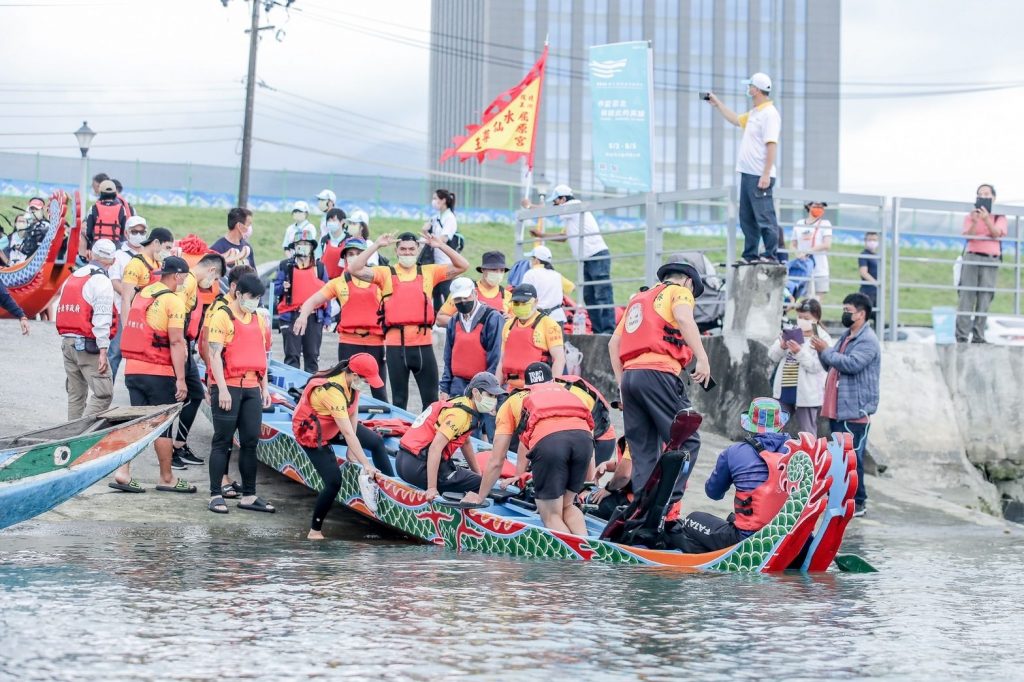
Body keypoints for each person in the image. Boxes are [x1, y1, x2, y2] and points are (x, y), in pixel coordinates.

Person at [608, 260, 711, 497]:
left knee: (644, 453)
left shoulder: (638, 300)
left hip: (631, 379)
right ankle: (662, 504)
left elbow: (614, 344)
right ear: (688, 281)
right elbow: (684, 319)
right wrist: (703, 359)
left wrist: (622, 383)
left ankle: (641, 512)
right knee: (687, 441)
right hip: (659, 373)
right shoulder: (680, 291)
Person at [339, 231, 468, 410]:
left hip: (423, 345)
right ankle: (401, 435)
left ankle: (425, 438)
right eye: (403, 249)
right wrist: (376, 245)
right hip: (395, 348)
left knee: (430, 401)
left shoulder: (429, 272)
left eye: (411, 249)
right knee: (399, 401)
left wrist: (441, 246)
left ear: (417, 250)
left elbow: (463, 265)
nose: (407, 253)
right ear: (396, 251)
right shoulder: (385, 273)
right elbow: (354, 269)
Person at [466, 362, 594, 535]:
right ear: (552, 381)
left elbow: (497, 460)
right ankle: (587, 547)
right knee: (567, 505)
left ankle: (574, 558)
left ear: (526, 386)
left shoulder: (513, 401)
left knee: (550, 514)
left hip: (550, 443)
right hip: (584, 441)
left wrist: (480, 497)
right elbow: (587, 433)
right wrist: (589, 480)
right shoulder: (566, 392)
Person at [115, 256, 196, 494]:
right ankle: (167, 477)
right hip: (158, 371)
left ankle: (123, 472)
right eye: (184, 276)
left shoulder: (145, 293)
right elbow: (176, 342)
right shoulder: (174, 301)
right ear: (178, 276)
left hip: (133, 370)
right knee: (163, 426)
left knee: (137, 423)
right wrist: (181, 379)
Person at [291, 354, 392, 539]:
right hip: (312, 433)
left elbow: (352, 415)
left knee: (376, 442)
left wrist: (352, 450)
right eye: (366, 381)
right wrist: (366, 464)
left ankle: (391, 488)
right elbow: (347, 433)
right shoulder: (333, 391)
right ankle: (315, 530)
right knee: (333, 482)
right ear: (354, 375)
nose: (367, 385)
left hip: (333, 425)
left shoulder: (353, 384)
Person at [672, 398, 791, 553]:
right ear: (780, 425)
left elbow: (713, 493)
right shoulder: (798, 450)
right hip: (788, 537)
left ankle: (711, 563)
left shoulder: (733, 452)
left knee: (691, 520)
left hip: (747, 540)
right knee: (731, 519)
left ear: (749, 426)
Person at [205, 273, 274, 514]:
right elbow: (214, 355)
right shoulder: (222, 316)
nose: (254, 301)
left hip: (252, 386)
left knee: (250, 442)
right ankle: (215, 494)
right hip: (229, 386)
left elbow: (262, 355)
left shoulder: (258, 319)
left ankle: (249, 495)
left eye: (258, 298)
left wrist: (264, 388)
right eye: (251, 297)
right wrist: (221, 388)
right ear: (238, 293)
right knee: (222, 441)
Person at [293, 238, 389, 402]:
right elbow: (312, 301)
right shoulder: (339, 282)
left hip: (376, 342)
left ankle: (386, 424)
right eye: (350, 254)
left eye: (358, 253)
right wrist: (303, 316)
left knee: (379, 392)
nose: (354, 257)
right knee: (345, 391)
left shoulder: (380, 278)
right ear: (344, 258)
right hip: (349, 342)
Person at [811, 292, 880, 517]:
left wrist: (826, 351)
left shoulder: (868, 340)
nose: (844, 314)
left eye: (848, 311)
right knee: (839, 458)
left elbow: (851, 364)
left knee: (854, 458)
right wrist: (822, 352)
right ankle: (841, 498)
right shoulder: (847, 336)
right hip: (838, 410)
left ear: (861, 314)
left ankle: (859, 501)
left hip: (855, 411)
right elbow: (831, 364)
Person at [706, 72, 782, 264]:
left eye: (750, 86)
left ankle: (770, 255)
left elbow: (771, 144)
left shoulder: (769, 114)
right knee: (747, 217)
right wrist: (718, 104)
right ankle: (750, 255)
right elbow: (735, 120)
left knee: (765, 217)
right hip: (748, 174)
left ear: (756, 89)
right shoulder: (755, 113)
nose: (748, 89)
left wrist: (765, 173)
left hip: (760, 175)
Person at [395, 372, 500, 498]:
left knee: (477, 479)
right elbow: (435, 448)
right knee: (484, 485)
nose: (493, 400)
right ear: (476, 393)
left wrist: (477, 473)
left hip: (401, 461)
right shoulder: (460, 415)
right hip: (417, 467)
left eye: (495, 396)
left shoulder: (461, 402)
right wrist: (431, 488)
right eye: (490, 395)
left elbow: (465, 442)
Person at [527, 185, 615, 333]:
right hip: (588, 258)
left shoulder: (574, 206)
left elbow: (552, 211)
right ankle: (599, 330)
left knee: (601, 294)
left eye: (555, 201)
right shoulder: (572, 216)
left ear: (563, 199)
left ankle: (608, 330)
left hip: (596, 255)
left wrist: (531, 206)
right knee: (590, 296)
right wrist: (541, 235)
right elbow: (563, 237)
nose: (555, 205)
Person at [171, 252, 227, 468]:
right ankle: (172, 451)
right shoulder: (188, 283)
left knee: (195, 395)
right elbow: (176, 314)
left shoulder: (192, 283)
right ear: (211, 271)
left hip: (186, 345)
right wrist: (181, 344)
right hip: (180, 345)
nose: (212, 284)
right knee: (183, 396)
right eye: (214, 279)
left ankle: (179, 444)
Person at [55, 239, 117, 421]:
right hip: (88, 345)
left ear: (90, 255)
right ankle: (82, 435)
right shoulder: (102, 281)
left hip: (67, 342)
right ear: (113, 261)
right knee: (104, 393)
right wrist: (103, 350)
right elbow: (102, 318)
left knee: (76, 395)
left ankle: (70, 436)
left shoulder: (72, 277)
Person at [439, 277, 504, 438]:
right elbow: (448, 356)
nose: (462, 301)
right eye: (457, 299)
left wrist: (490, 390)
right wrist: (444, 388)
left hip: (486, 385)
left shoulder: (492, 318)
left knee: (493, 433)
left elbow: (496, 357)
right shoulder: (454, 320)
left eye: (465, 297)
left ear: (474, 294)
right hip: (459, 384)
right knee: (463, 432)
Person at [768, 298, 832, 436]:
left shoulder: (822, 338)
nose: (802, 320)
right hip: (784, 390)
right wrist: (782, 346)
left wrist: (799, 351)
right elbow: (772, 356)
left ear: (816, 318)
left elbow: (817, 366)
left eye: (806, 318)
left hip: (807, 393)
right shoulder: (790, 331)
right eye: (799, 317)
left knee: (807, 432)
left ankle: (809, 457)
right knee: (772, 428)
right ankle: (771, 455)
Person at [957, 183, 1007, 343]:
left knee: (985, 297)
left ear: (994, 197)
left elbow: (997, 234)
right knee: (966, 296)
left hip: (990, 258)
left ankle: (979, 336)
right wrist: (975, 221)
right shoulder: (971, 215)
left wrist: (987, 220)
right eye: (980, 194)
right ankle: (962, 336)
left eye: (987, 194)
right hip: (972, 256)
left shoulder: (999, 216)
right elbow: (968, 236)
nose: (984, 197)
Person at [496, 283, 566, 390]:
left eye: (524, 302)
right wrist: (496, 389)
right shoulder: (508, 325)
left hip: (538, 388)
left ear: (536, 302)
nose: (520, 306)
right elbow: (501, 361)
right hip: (512, 388)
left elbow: (559, 359)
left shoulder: (549, 324)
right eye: (516, 303)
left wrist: (553, 388)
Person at [275, 237, 328, 373]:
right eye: (299, 244)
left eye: (306, 244)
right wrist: (283, 286)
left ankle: (311, 390)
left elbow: (328, 293)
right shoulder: (285, 266)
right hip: (291, 316)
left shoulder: (320, 268)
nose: (302, 246)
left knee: (312, 355)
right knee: (292, 356)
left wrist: (327, 318)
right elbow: (276, 289)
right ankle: (293, 391)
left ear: (312, 247)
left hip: (314, 317)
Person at [108, 216, 149, 379]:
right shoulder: (118, 255)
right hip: (121, 310)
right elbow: (114, 281)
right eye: (134, 231)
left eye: (142, 231)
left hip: (145, 312)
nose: (138, 235)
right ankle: (105, 391)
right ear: (126, 233)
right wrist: (131, 296)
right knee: (115, 352)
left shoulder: (149, 254)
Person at [435, 251, 511, 327]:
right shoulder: (464, 290)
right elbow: (440, 319)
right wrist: (464, 322)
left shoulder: (507, 295)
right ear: (483, 270)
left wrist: (510, 321)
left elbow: (517, 324)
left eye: (502, 270)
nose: (498, 274)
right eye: (494, 270)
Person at [119, 227, 175, 312]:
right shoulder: (135, 264)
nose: (168, 252)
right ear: (156, 242)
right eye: (167, 248)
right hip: (138, 318)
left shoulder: (159, 264)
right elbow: (125, 300)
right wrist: (126, 325)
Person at [422, 189, 459, 310]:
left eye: (435, 198)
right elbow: (428, 237)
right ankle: (437, 319)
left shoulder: (450, 218)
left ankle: (452, 316)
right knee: (436, 292)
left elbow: (444, 238)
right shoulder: (435, 217)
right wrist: (424, 231)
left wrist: (432, 239)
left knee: (446, 291)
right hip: (434, 261)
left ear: (443, 200)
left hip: (446, 261)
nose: (433, 201)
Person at [521, 245, 574, 326]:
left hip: (538, 319)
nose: (530, 261)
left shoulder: (530, 274)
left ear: (536, 260)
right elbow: (572, 288)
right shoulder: (557, 275)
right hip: (557, 318)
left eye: (532, 258)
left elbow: (523, 296)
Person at [791, 201, 832, 301]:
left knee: (817, 302)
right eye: (816, 206)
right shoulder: (800, 223)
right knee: (804, 301)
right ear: (809, 206)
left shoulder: (825, 223)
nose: (819, 208)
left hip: (820, 269)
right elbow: (793, 244)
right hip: (803, 268)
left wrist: (807, 251)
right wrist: (798, 254)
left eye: (821, 207)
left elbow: (827, 244)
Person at [82, 179, 128, 254]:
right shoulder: (122, 209)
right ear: (114, 193)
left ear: (101, 192)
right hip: (115, 245)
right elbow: (123, 231)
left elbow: (89, 231)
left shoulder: (93, 208)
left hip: (97, 244)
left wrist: (91, 244)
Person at [320, 208, 349, 280]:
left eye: (333, 220)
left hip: (343, 282)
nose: (330, 223)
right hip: (325, 283)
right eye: (328, 221)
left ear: (342, 221)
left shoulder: (349, 241)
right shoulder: (323, 240)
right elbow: (317, 260)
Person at [858, 231, 880, 309]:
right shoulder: (864, 255)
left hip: (876, 291)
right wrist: (876, 283)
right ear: (865, 241)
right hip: (867, 291)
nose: (872, 242)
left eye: (874, 240)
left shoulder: (878, 256)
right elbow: (863, 272)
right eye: (870, 240)